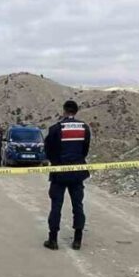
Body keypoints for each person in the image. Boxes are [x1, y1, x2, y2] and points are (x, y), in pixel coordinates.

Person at [43, 100, 91, 250]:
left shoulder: (55, 129)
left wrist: (56, 162)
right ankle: (77, 240)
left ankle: (53, 240)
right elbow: (85, 150)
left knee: (56, 205)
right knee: (78, 204)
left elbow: (48, 150)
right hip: (77, 172)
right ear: (76, 112)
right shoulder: (84, 128)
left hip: (59, 172)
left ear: (64, 111)